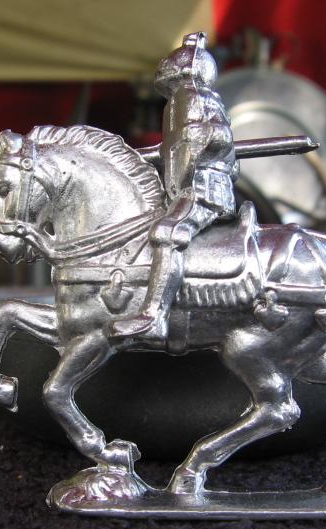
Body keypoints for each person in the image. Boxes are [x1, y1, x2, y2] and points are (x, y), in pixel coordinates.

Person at [111, 31, 238, 341]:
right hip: (187, 188)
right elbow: (177, 148)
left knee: (166, 233)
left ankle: (154, 315)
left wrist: (195, 140)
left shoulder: (196, 97)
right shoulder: (179, 102)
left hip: (203, 191)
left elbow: (218, 138)